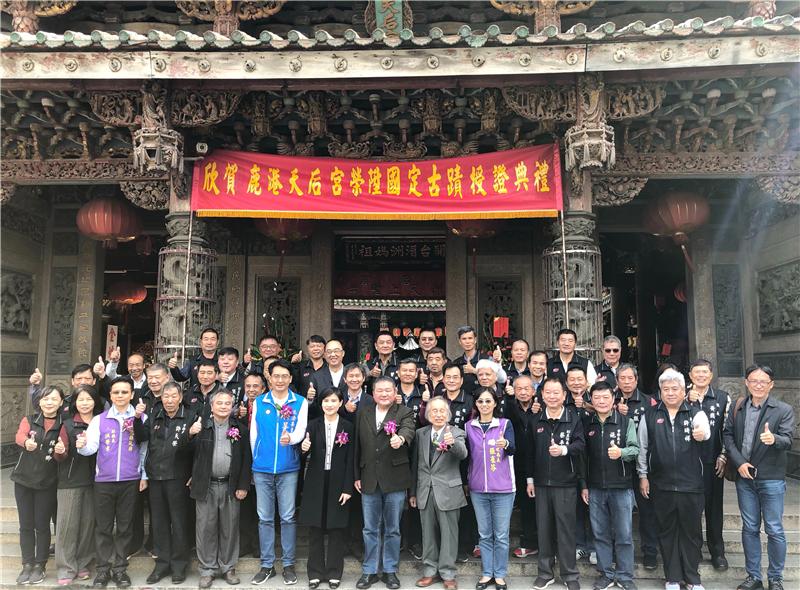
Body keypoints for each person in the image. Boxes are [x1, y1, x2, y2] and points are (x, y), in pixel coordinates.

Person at [637, 369, 710, 590]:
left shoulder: (695, 412)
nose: (670, 393)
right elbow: (643, 447)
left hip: (691, 485)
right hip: (662, 484)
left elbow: (704, 431)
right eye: (665, 389)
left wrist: (702, 434)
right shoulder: (650, 415)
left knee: (691, 533)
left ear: (683, 390)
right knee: (667, 532)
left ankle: (692, 578)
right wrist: (643, 476)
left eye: (675, 389)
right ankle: (672, 577)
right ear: (660, 391)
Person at [724, 364, 795, 590]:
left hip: (771, 478)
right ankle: (753, 576)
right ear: (746, 382)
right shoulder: (738, 408)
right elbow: (727, 436)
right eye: (753, 380)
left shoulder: (783, 410)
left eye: (763, 381)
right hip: (745, 477)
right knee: (749, 527)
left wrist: (774, 439)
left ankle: (775, 578)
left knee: (774, 528)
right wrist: (739, 463)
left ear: (771, 385)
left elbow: (788, 440)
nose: (758, 385)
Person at [78, 377, 148, 589]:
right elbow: (91, 448)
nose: (120, 396)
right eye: (116, 392)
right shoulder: (100, 419)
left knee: (126, 528)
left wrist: (143, 475)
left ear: (132, 395)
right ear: (110, 396)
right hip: (104, 482)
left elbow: (144, 450)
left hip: (130, 480)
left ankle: (120, 570)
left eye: (124, 392)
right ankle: (102, 570)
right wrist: (81, 446)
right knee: (104, 528)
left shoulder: (141, 418)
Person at [249, 358, 308, 586]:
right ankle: (267, 565)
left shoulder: (299, 402)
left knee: (287, 517)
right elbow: (254, 434)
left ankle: (289, 564)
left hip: (288, 468)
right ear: (269, 378)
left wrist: (291, 439)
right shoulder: (260, 401)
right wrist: (257, 459)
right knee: (264, 518)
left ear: (291, 379)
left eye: (285, 376)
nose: (280, 380)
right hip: (262, 469)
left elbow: (301, 430)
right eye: (276, 376)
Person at [354, 376, 416, 590]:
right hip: (369, 477)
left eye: (388, 390)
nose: (384, 394)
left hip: (395, 479)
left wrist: (401, 439)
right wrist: (356, 475)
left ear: (395, 391)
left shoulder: (404, 412)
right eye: (379, 390)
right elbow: (357, 447)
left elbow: (409, 430)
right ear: (372, 393)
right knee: (370, 528)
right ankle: (369, 570)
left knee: (393, 528)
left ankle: (390, 570)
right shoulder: (364, 413)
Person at [189, 389, 252, 589]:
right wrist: (190, 434)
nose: (224, 406)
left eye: (227, 403)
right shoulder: (201, 427)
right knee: (205, 528)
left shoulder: (240, 429)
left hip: (230, 485)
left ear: (232, 406)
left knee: (230, 528)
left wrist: (243, 485)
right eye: (220, 403)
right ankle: (207, 569)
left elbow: (246, 460)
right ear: (211, 405)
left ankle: (228, 567)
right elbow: (185, 453)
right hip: (205, 485)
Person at [528, 377, 585, 590]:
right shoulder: (536, 420)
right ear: (542, 395)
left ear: (564, 395)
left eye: (556, 393)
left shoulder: (573, 418)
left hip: (566, 483)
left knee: (566, 531)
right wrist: (530, 480)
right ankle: (545, 572)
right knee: (543, 530)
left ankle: (570, 575)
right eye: (548, 393)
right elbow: (529, 453)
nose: (552, 397)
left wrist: (564, 450)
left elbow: (581, 445)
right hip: (541, 484)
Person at [582, 382, 639, 590]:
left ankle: (624, 576)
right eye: (597, 398)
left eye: (605, 397)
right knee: (600, 533)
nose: (601, 401)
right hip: (596, 488)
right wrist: (584, 485)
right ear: (592, 401)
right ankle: (606, 574)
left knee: (624, 534)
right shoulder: (588, 424)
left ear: (613, 399)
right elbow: (583, 458)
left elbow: (635, 449)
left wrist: (621, 453)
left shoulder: (625, 422)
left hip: (621, 487)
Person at [298, 388, 355, 590]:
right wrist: (303, 449)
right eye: (326, 401)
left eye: (333, 401)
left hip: (338, 481)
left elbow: (351, 460)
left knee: (336, 529)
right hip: (315, 480)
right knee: (315, 529)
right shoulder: (312, 425)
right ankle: (314, 572)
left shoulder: (348, 426)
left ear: (340, 403)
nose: (329, 404)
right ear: (321, 403)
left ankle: (333, 573)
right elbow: (302, 454)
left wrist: (348, 487)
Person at [410, 397, 468, 590]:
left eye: (442, 411)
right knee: (428, 534)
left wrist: (452, 444)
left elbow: (463, 454)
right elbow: (415, 465)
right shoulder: (420, 433)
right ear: (427, 415)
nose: (438, 414)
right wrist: (413, 492)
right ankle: (429, 571)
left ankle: (448, 573)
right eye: (434, 411)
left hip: (448, 490)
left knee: (449, 534)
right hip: (425, 490)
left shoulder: (457, 432)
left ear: (448, 414)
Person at [142, 382, 194, 584]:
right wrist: (138, 418)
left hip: (179, 477)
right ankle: (162, 564)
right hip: (156, 477)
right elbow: (141, 438)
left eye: (174, 396)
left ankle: (179, 565)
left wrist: (192, 474)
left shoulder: (189, 416)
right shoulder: (155, 415)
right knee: (160, 523)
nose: (170, 400)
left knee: (179, 522)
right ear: (161, 398)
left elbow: (196, 449)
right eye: (166, 397)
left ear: (180, 397)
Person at [12, 385, 65, 586]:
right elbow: (19, 436)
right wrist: (26, 443)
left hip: (47, 481)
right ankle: (27, 563)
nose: (49, 402)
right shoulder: (29, 419)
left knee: (42, 525)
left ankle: (40, 565)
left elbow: (63, 454)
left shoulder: (64, 424)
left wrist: (60, 450)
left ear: (61, 402)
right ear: (39, 401)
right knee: (26, 525)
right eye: (45, 398)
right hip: (23, 479)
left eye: (53, 399)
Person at [466, 387, 516, 590]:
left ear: (495, 403)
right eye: (480, 401)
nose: (484, 405)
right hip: (478, 488)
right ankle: (487, 573)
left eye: (488, 401)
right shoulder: (469, 426)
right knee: (485, 534)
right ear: (475, 404)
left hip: (503, 488)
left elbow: (513, 449)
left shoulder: (504, 424)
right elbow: (466, 456)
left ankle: (500, 574)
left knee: (502, 535)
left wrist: (506, 444)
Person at [53, 385, 102, 586]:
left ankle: (83, 564)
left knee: (87, 525)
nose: (84, 403)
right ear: (74, 403)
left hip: (96, 481)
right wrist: (60, 450)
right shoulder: (68, 424)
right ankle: (66, 567)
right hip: (71, 480)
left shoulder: (101, 422)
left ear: (95, 401)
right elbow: (60, 454)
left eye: (88, 399)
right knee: (67, 526)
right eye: (80, 400)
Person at [687, 359, 730, 571]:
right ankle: (693, 552)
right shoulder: (682, 397)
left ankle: (717, 552)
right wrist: (687, 399)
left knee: (714, 509)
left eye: (705, 372)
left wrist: (724, 455)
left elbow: (728, 430)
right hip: (689, 464)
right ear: (690, 375)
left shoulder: (722, 398)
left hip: (714, 463)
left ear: (711, 376)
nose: (701, 376)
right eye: (697, 372)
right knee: (692, 510)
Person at [614, 363, 658, 570]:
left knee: (647, 511)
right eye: (622, 378)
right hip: (617, 466)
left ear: (636, 379)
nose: (626, 382)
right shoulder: (609, 400)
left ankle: (650, 552)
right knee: (618, 512)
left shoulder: (649, 402)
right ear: (617, 381)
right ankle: (619, 553)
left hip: (641, 466)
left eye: (630, 378)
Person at [502, 375, 540, 559]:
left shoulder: (541, 408)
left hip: (536, 464)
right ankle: (524, 542)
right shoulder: (509, 408)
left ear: (534, 390)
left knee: (532, 505)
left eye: (527, 388)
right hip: (513, 464)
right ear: (514, 391)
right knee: (520, 504)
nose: (523, 392)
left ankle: (533, 542)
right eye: (519, 389)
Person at [452, 325, 488, 396]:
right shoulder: (456, 363)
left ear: (475, 340)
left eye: (470, 338)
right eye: (464, 339)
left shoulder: (486, 360)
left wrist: (474, 371)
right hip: (463, 402)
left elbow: (494, 379)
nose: (467, 341)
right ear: (460, 342)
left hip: (482, 400)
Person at [308, 339, 347, 404]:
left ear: (343, 353)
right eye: (329, 352)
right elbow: (313, 406)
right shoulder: (316, 377)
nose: (333, 354)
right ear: (325, 355)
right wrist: (310, 399)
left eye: (336, 351)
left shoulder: (351, 375)